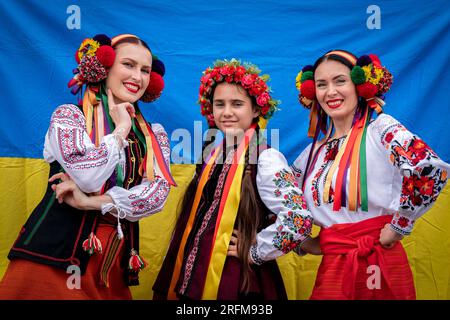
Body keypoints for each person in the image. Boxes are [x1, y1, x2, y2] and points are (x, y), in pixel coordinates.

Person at [0, 33, 176, 299]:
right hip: (54, 260)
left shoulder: (154, 135)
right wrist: (120, 130)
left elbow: (156, 196)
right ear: (105, 67)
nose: (137, 77)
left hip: (111, 265)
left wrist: (90, 203)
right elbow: (88, 177)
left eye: (145, 70)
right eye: (128, 65)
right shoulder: (69, 117)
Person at [292, 50, 450, 299]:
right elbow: (284, 202)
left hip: (380, 258)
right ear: (313, 92)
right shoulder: (311, 155)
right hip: (334, 267)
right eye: (322, 84)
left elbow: (428, 168)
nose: (330, 91)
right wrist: (302, 242)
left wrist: (400, 224)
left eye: (340, 81)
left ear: (360, 85)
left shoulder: (381, 131)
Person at [152, 59, 313, 300]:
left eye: (237, 104)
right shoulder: (214, 155)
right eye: (219, 104)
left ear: (256, 110)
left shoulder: (265, 158)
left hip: (237, 281)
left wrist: (256, 250)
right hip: (196, 274)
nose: (226, 112)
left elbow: (298, 220)